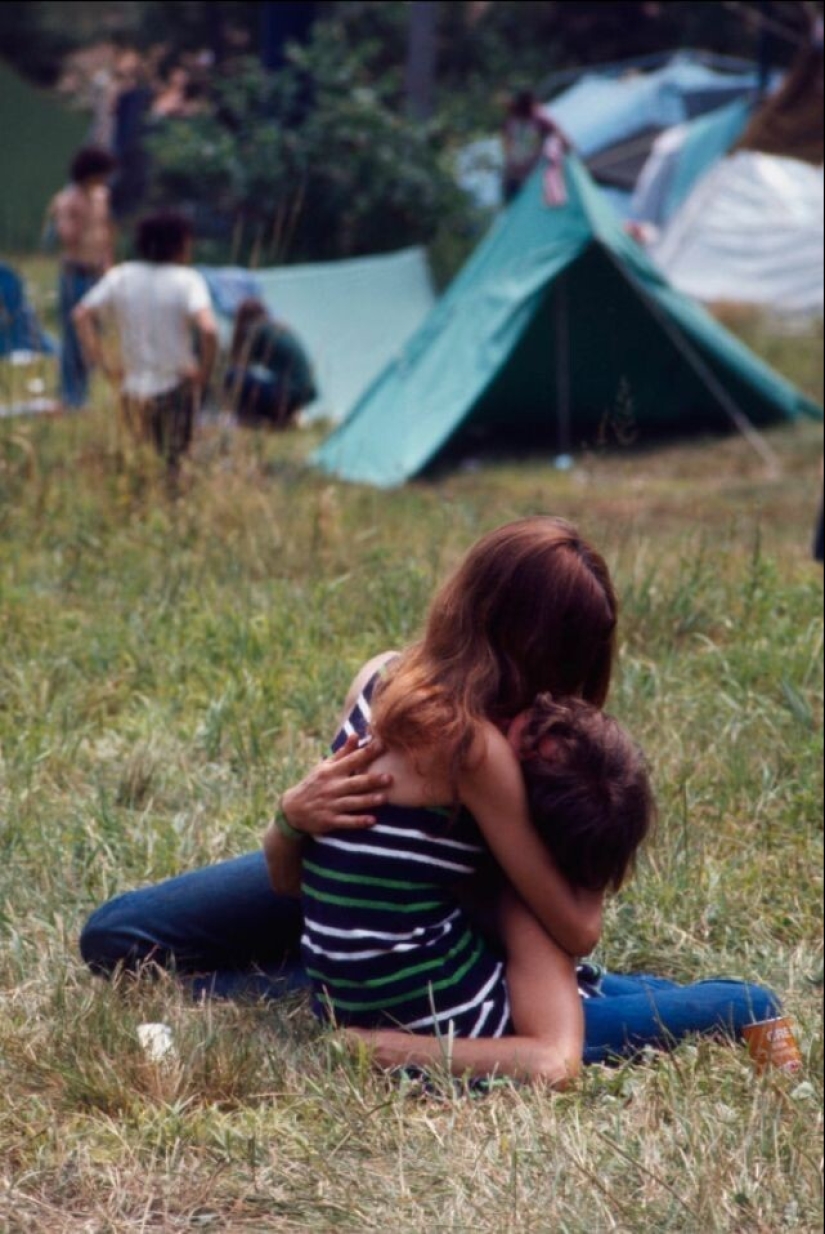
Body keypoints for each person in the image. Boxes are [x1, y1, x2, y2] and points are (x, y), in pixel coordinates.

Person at [80, 518, 781, 1072]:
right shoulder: (399, 691)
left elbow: (563, 927)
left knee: (611, 1007)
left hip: (448, 963)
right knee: (117, 936)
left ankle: (705, 1005)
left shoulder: (423, 702)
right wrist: (290, 821)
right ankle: (342, 990)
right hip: (378, 927)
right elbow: (314, 874)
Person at [287, 683, 653, 1086]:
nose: (497, 731)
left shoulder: (524, 902)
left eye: (519, 745)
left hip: (506, 1025)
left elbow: (552, 1062)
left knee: (719, 1004)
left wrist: (377, 1048)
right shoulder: (473, 851)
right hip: (497, 989)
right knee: (630, 991)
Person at [73, 211, 218, 479]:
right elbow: (209, 330)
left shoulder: (121, 276)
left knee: (143, 460)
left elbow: (81, 314)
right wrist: (203, 374)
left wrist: (102, 363)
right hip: (174, 387)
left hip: (132, 389)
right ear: (180, 244)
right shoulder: (187, 279)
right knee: (175, 463)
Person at [47, 146, 117, 410]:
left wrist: (108, 266)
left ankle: (83, 392)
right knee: (73, 338)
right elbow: (68, 237)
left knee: (92, 336)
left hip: (97, 273)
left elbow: (106, 233)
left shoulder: (102, 196)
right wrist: (66, 217)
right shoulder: (69, 200)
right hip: (74, 274)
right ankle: (71, 395)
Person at [224, 298, 317, 428]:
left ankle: (247, 421)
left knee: (232, 375)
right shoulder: (274, 328)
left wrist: (237, 335)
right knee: (257, 379)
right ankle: (283, 419)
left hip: (290, 392)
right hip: (304, 392)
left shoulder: (257, 329)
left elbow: (239, 362)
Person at [502, 90, 568, 204]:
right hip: (524, 175)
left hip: (520, 174)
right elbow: (562, 138)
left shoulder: (513, 123)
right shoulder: (536, 121)